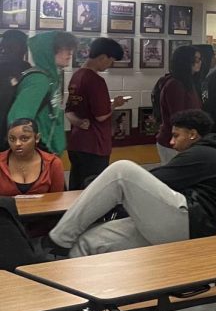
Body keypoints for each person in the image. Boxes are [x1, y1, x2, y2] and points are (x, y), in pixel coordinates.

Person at [49, 110, 216, 257]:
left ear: (192, 134)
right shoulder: (207, 154)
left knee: (121, 171)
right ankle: (72, 293)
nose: (171, 142)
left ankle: (56, 240)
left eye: (176, 136)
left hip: (191, 225)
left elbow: (156, 179)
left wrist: (100, 186)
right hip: (182, 227)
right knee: (87, 242)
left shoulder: (205, 154)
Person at [64, 38, 130, 189]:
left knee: (76, 186)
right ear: (103, 57)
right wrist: (115, 105)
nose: (110, 65)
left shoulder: (77, 76)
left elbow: (69, 110)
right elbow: (101, 115)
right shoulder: (96, 80)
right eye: (111, 61)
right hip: (95, 145)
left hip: (76, 142)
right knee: (93, 190)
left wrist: (80, 122)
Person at [7, 31, 76, 156]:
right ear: (48, 51)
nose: (69, 53)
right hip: (39, 154)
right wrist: (33, 156)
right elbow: (17, 119)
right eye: (63, 49)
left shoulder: (53, 77)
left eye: (70, 48)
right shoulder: (39, 80)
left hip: (49, 153)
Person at [155, 45, 202, 164]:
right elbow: (178, 118)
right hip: (173, 143)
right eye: (196, 60)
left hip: (185, 140)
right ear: (186, 62)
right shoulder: (175, 85)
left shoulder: (187, 82)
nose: (199, 63)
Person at [0, 118, 65, 196]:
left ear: (37, 138)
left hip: (44, 208)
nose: (17, 143)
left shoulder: (53, 163)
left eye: (24, 138)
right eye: (12, 139)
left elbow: (58, 200)